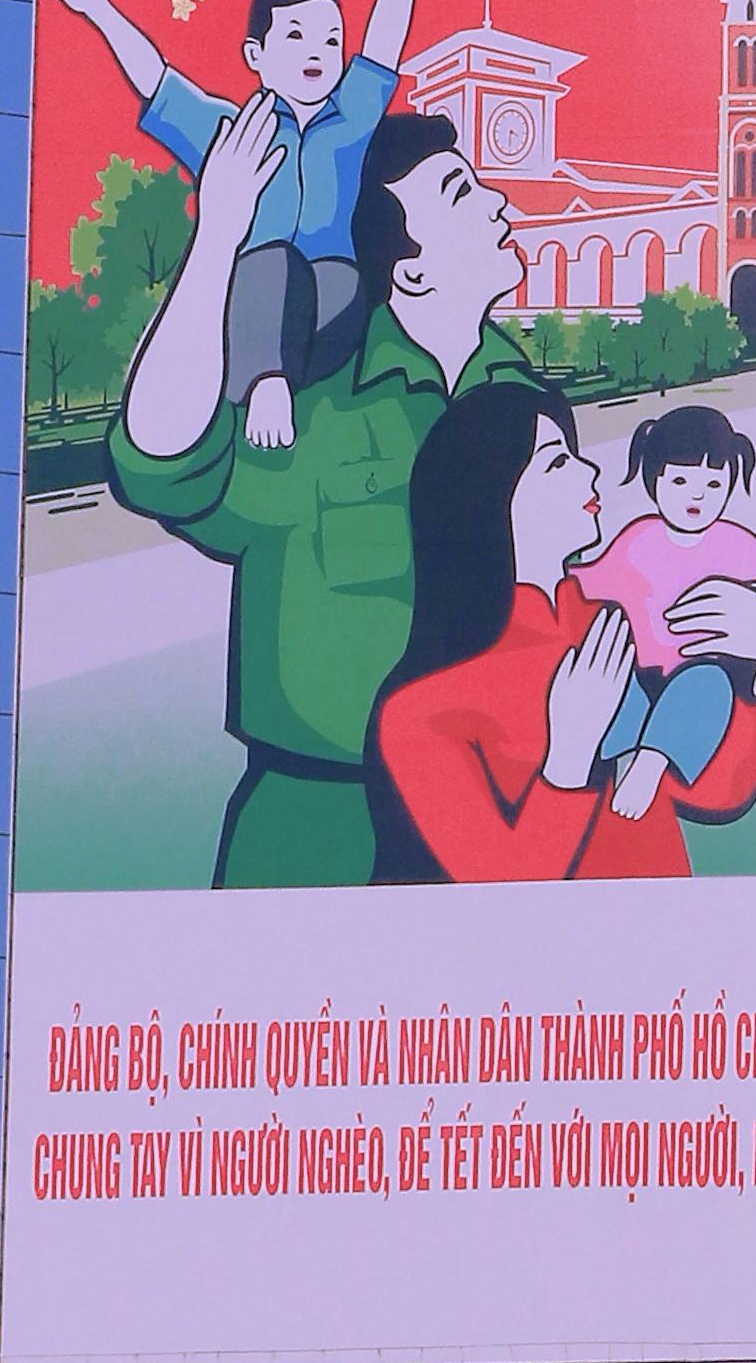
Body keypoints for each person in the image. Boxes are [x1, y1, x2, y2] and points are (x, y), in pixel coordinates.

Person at [107, 96, 543, 884]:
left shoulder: (525, 403)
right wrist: (219, 239)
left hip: (494, 817)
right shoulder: (318, 411)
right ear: (408, 267)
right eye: (461, 193)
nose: (500, 203)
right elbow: (161, 459)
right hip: (323, 825)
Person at [367, 377, 756, 883]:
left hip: (667, 929)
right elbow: (494, 882)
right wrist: (568, 760)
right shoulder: (420, 709)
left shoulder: (611, 619)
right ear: (489, 494)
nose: (590, 470)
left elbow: (707, 790)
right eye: (558, 461)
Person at [44, 0, 464, 446]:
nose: (317, 53)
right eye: (296, 37)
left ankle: (281, 385)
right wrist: (99, 9)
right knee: (272, 262)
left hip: (333, 301)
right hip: (251, 299)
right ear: (255, 57)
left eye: (331, 41)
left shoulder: (351, 119)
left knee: (338, 277)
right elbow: (157, 81)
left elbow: (383, 44)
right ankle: (265, 384)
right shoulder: (233, 130)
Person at [588, 401, 756, 826]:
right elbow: (590, 580)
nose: (696, 495)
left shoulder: (729, 542)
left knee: (708, 688)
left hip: (695, 672)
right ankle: (623, 758)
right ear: (655, 480)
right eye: (682, 480)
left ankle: (653, 760)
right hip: (639, 669)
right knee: (617, 689)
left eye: (712, 484)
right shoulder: (636, 539)